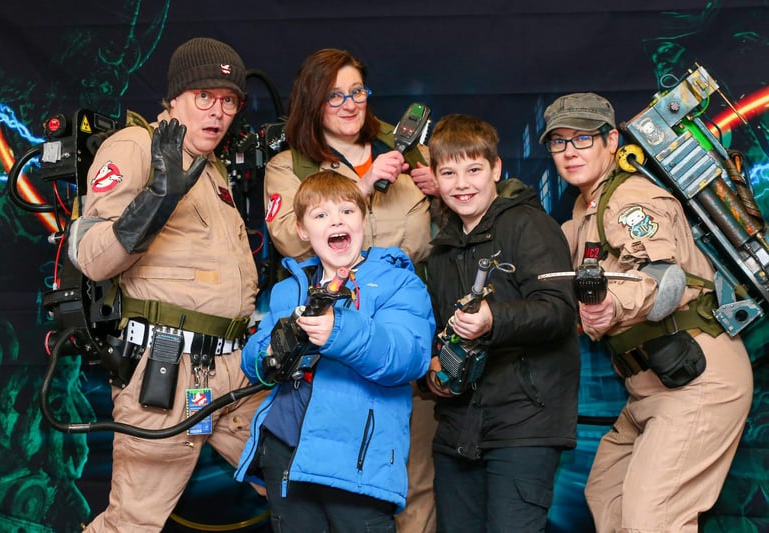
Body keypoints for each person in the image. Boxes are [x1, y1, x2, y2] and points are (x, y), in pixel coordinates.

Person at [69, 37, 265, 532]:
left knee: (302, 474)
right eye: (204, 95)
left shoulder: (212, 165)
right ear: (174, 99)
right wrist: (157, 196)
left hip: (233, 371)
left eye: (228, 100)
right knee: (132, 522)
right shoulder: (135, 147)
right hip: (168, 370)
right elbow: (93, 259)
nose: (217, 111)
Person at [541, 92, 753, 531]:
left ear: (611, 140)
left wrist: (610, 306)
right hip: (650, 385)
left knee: (649, 519)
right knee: (607, 494)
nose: (570, 151)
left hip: (696, 378)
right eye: (559, 142)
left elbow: (666, 277)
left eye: (582, 138)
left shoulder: (630, 198)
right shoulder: (582, 213)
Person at [262, 47, 439, 532]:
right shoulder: (290, 165)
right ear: (312, 102)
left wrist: (440, 188)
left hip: (402, 332)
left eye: (356, 91)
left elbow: (445, 234)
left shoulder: (408, 153)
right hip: (327, 357)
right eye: (334, 95)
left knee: (412, 480)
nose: (348, 103)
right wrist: (360, 186)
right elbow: (286, 239)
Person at [235, 170, 435, 531]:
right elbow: (254, 361)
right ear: (301, 230)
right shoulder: (287, 290)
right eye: (321, 215)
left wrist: (337, 331)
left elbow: (410, 357)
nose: (336, 221)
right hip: (287, 453)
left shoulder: (398, 281)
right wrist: (270, 353)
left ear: (363, 219)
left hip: (357, 459)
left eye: (347, 211)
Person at [424, 114, 581, 532]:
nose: (462, 184)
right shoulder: (439, 252)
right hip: (458, 429)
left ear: (495, 169)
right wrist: (434, 372)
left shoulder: (529, 224)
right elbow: (438, 334)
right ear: (435, 179)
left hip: (523, 427)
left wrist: (495, 319)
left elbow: (560, 310)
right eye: (449, 172)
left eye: (474, 169)